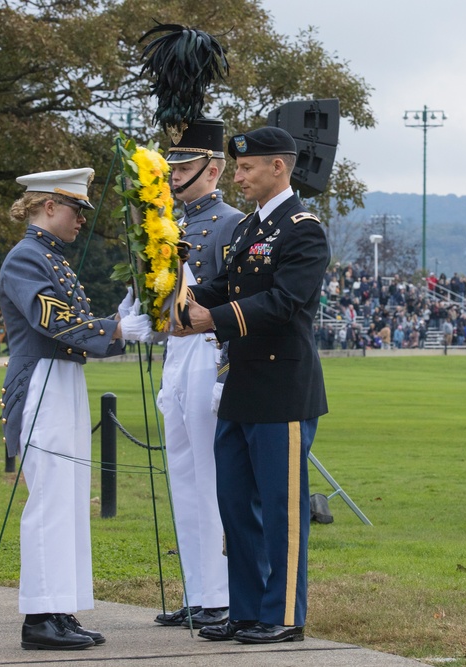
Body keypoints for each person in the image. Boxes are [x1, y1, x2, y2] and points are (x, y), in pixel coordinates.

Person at [175, 126, 329, 644]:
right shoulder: (250, 229)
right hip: (241, 385)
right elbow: (224, 283)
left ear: (277, 168)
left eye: (245, 168)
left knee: (281, 512)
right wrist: (179, 299)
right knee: (235, 505)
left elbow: (287, 303)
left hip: (281, 387)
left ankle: (283, 615)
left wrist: (210, 318)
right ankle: (244, 610)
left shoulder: (302, 228)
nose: (237, 177)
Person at [0, 167, 152, 651]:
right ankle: (39, 618)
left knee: (67, 499)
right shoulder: (27, 259)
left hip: (61, 381)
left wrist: (116, 319)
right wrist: (117, 331)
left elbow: (75, 321)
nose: (82, 219)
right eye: (76, 209)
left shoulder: (49, 258)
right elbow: (52, 319)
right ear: (48, 206)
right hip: (41, 383)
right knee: (50, 500)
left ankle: (58, 608)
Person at [152, 118, 241, 630]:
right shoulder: (170, 225)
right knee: (183, 477)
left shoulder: (230, 223)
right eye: (171, 168)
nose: (173, 177)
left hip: (208, 350)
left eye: (182, 168)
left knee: (210, 478)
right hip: (176, 351)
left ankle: (221, 594)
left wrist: (227, 371)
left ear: (213, 169)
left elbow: (234, 299)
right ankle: (197, 589)